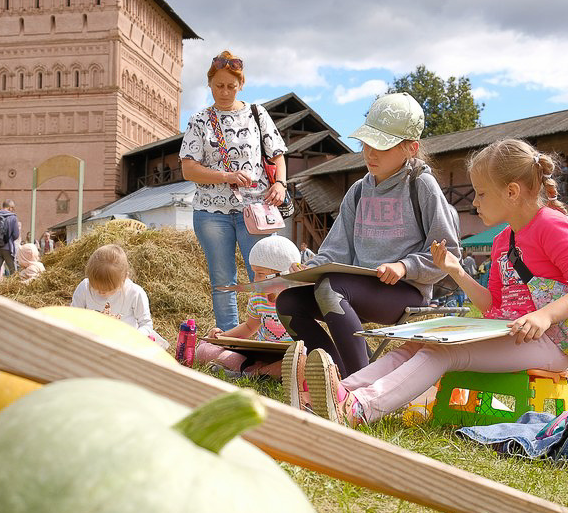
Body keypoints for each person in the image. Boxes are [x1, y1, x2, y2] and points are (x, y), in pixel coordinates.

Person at [303, 138, 568, 428]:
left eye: (481, 193)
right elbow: (494, 305)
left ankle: (359, 408)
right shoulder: (504, 240)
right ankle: (339, 392)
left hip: (551, 342)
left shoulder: (551, 226)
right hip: (514, 334)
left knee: (443, 352)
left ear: (512, 191)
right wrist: (457, 271)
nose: (474, 202)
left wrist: (544, 316)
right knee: (417, 345)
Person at [276, 92, 460, 407]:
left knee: (332, 289)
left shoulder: (421, 186)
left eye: (382, 146)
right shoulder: (359, 191)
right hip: (355, 289)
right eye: (366, 143)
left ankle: (361, 394)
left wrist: (405, 267)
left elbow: (448, 252)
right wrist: (308, 269)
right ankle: (333, 378)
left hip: (405, 293)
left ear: (410, 148)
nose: (370, 153)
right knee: (288, 302)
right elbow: (335, 251)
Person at [180, 51, 288, 330]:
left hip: (257, 210)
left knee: (265, 276)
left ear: (241, 84)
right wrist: (226, 175)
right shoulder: (200, 120)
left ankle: (269, 336)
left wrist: (280, 183)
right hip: (211, 212)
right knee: (223, 281)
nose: (224, 92)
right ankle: (230, 342)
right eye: (219, 85)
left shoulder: (257, 113)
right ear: (209, 84)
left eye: (231, 86)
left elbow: (277, 154)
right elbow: (188, 169)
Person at [194, 235, 300, 379]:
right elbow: (250, 327)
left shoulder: (299, 299)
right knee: (204, 348)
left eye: (260, 274)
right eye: (254, 273)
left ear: (282, 274)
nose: (255, 280)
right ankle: (258, 371)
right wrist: (223, 336)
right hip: (264, 354)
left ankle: (253, 373)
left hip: (290, 356)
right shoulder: (258, 298)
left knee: (298, 362)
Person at [71, 244, 166, 348]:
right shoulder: (84, 287)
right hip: (93, 343)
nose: (101, 293)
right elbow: (74, 316)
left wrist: (134, 338)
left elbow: (146, 325)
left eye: (109, 290)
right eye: (95, 288)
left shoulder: (135, 293)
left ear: (124, 278)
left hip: (125, 345)